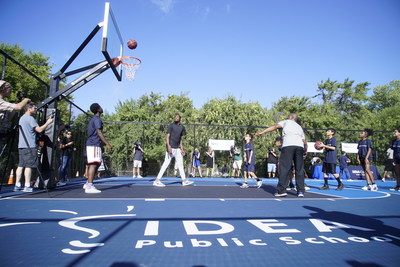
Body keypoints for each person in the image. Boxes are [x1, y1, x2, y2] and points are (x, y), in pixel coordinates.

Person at [256, 113, 307, 197]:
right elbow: (304, 140)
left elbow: (275, 127)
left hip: (288, 146)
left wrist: (262, 132)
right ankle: (300, 191)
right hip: (299, 147)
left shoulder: (286, 122)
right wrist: (305, 150)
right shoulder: (299, 127)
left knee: (285, 168)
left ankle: (281, 191)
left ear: (290, 117)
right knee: (299, 169)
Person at [14, 102, 53, 192]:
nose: (35, 109)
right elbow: (39, 130)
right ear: (29, 108)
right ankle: (27, 185)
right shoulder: (30, 119)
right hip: (29, 145)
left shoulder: (21, 118)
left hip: (21, 145)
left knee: (21, 165)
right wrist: (47, 123)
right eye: (34, 108)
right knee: (29, 166)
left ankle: (17, 184)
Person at [153, 114, 194, 187]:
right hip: (171, 147)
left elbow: (180, 139)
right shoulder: (171, 125)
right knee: (166, 163)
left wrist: (182, 149)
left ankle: (184, 181)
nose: (176, 118)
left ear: (180, 118)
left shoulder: (182, 127)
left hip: (177, 148)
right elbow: (167, 136)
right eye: (175, 117)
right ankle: (157, 181)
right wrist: (168, 146)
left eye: (177, 117)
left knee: (180, 164)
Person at [84, 103, 112, 193]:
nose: (102, 108)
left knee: (98, 163)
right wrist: (107, 144)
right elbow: (99, 132)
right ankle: (89, 186)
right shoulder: (96, 119)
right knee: (94, 164)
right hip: (93, 144)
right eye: (100, 106)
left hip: (95, 144)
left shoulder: (96, 119)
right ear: (98, 109)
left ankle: (87, 182)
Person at [0, 80, 30, 146]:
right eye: (9, 88)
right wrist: (26, 99)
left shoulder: (3, 103)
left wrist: (16, 104)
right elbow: (19, 107)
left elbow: (9, 118)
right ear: (3, 89)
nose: (10, 90)